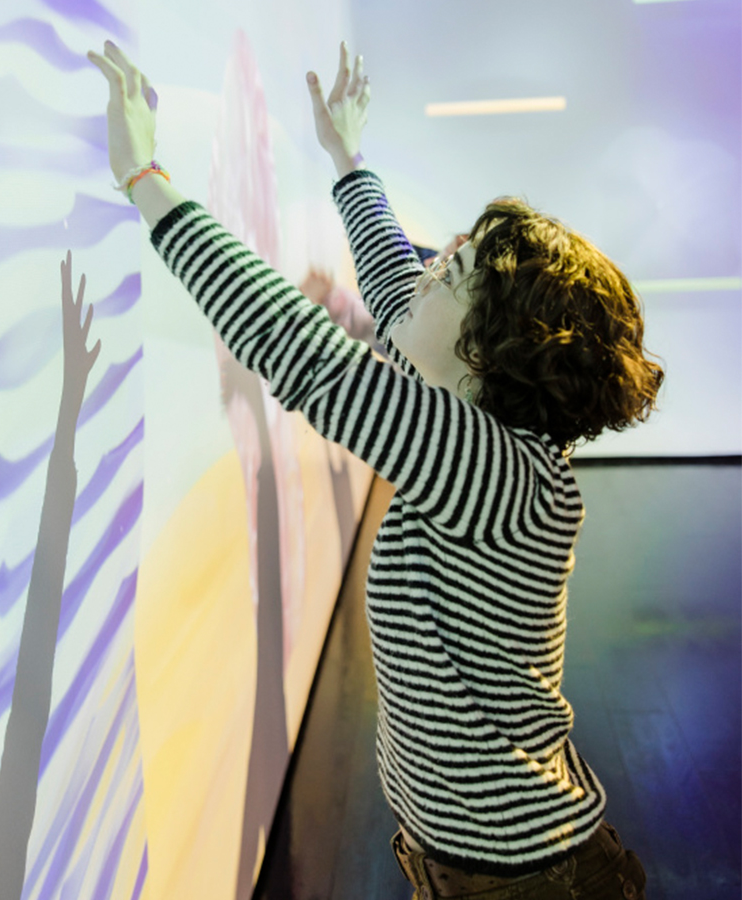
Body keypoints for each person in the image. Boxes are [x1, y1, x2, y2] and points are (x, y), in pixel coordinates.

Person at [88, 39, 661, 900]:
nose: (428, 270)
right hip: (480, 867)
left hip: (529, 882)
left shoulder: (497, 473)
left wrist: (146, 181)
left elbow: (306, 354)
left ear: (486, 354)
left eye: (450, 272)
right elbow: (398, 297)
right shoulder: (483, 428)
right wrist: (347, 158)